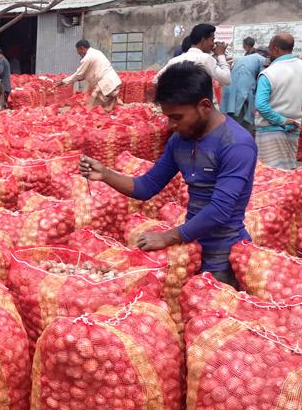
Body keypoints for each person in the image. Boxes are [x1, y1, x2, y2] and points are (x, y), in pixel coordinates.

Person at [80, 62, 256, 288]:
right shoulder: (179, 141)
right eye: (168, 117)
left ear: (204, 106)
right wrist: (105, 174)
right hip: (189, 248)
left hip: (223, 254)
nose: (171, 125)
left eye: (177, 117)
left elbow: (220, 210)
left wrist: (167, 236)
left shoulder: (236, 145)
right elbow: (147, 186)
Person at [255, 33, 302, 170]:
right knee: (288, 172)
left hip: (270, 131)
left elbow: (261, 105)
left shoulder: (269, 73)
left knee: (270, 174)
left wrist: (282, 120)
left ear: (275, 49)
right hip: (294, 128)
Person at [154, 23, 231, 94]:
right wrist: (221, 55)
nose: (213, 44)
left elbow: (155, 80)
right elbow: (226, 79)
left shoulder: (174, 61)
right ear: (203, 40)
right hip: (202, 106)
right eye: (212, 40)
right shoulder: (206, 59)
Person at [57, 39, 122, 112]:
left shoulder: (88, 58)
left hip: (105, 84)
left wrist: (62, 82)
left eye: (79, 51)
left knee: (95, 107)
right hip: (113, 81)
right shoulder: (96, 52)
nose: (78, 53)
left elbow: (78, 74)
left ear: (82, 48)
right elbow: (87, 72)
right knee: (107, 106)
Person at [220, 37, 267, 130]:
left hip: (229, 92)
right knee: (244, 126)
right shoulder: (261, 59)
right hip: (243, 94)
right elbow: (262, 81)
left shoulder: (243, 58)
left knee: (231, 123)